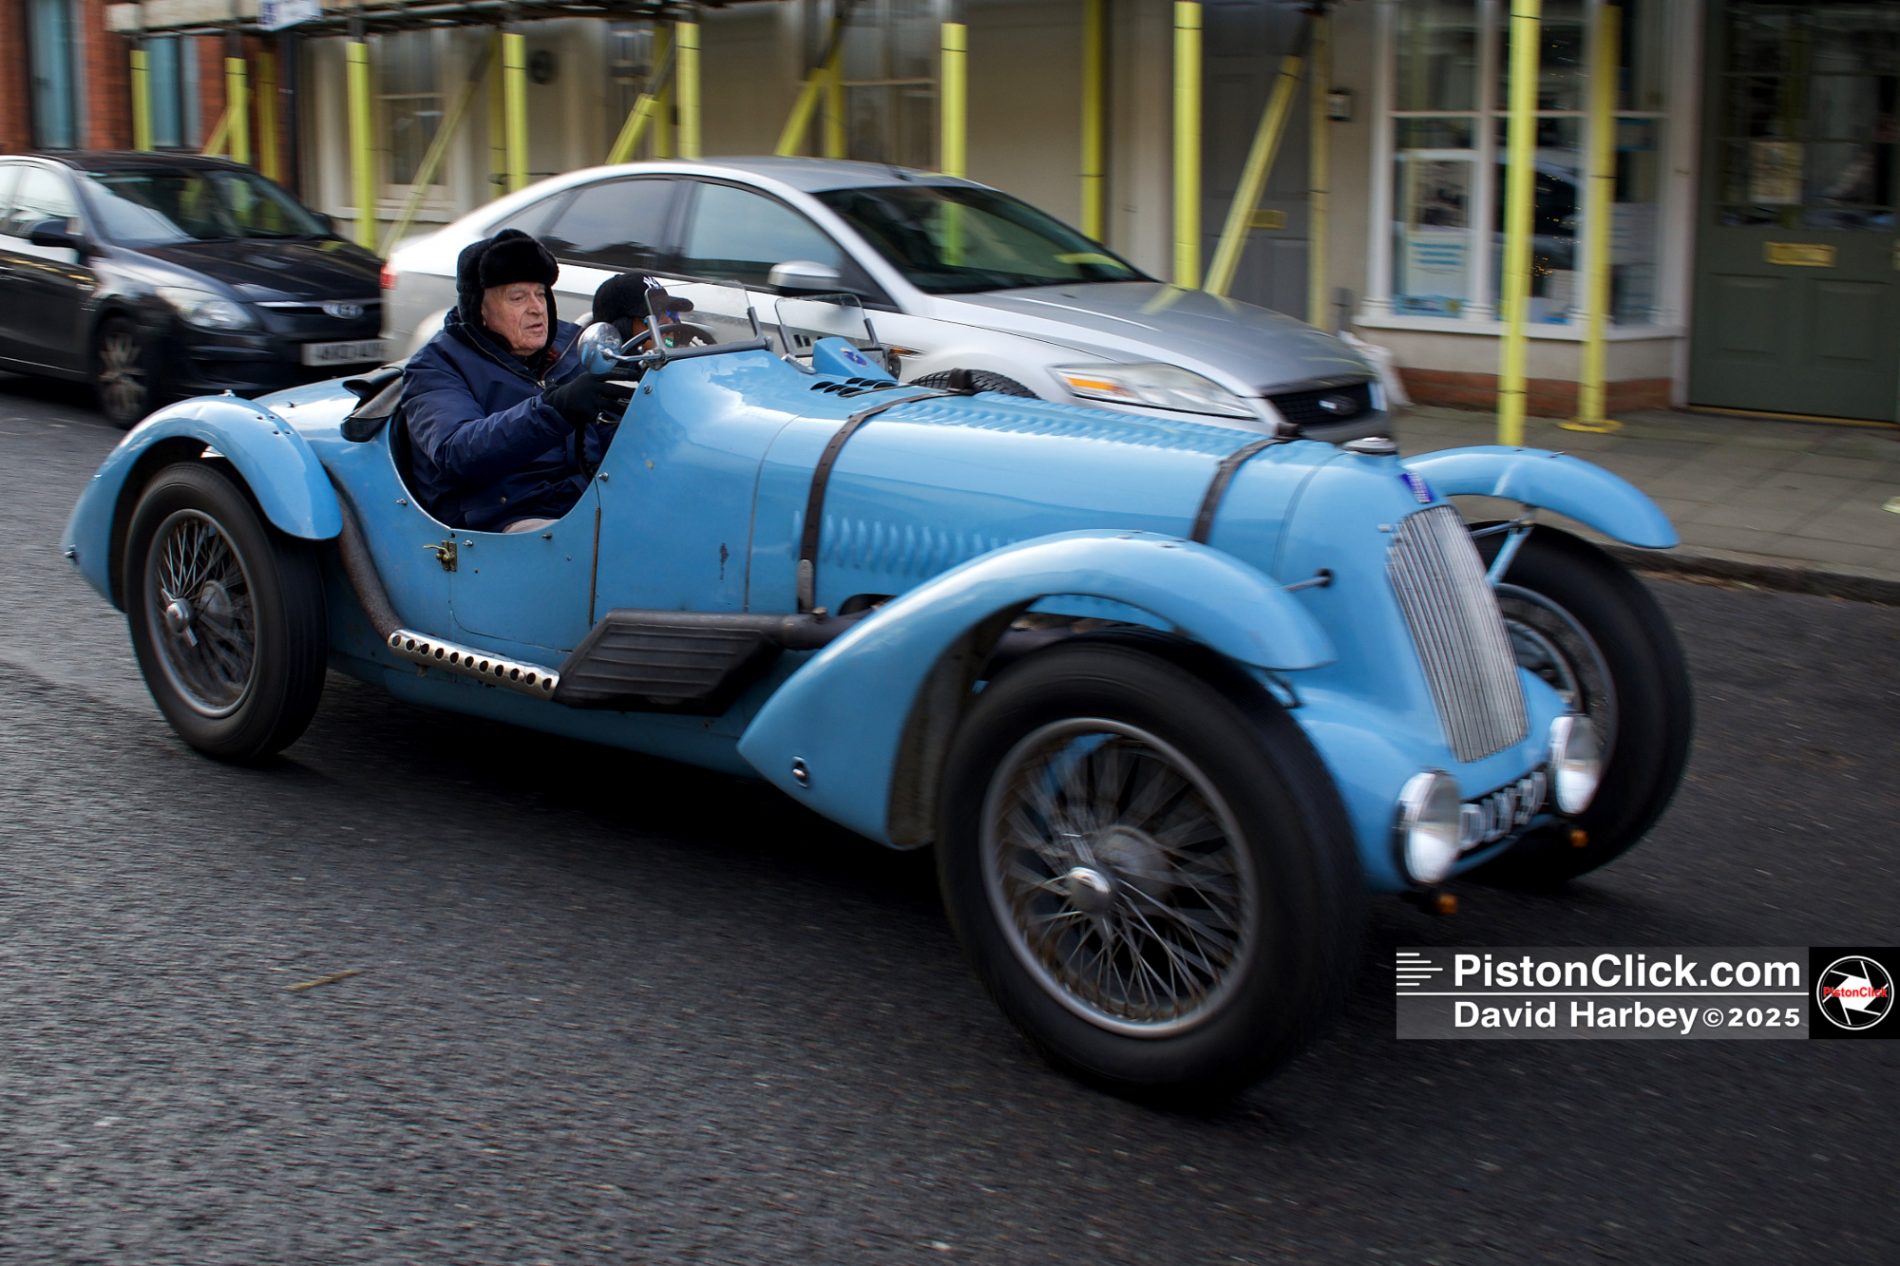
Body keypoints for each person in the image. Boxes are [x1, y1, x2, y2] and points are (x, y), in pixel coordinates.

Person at [402, 229, 620, 533]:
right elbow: (456, 452)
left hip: (587, 500)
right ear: (479, 308)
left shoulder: (574, 344)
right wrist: (554, 409)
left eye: (541, 293)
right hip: (506, 517)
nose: (536, 308)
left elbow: (615, 431)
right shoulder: (437, 365)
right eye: (518, 297)